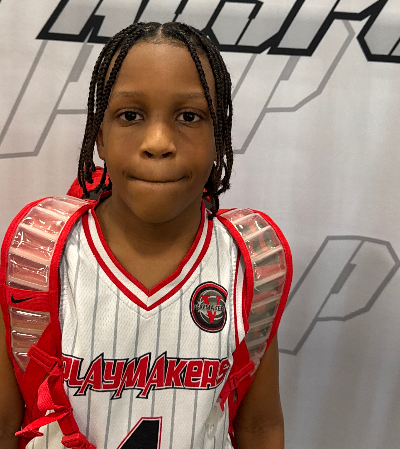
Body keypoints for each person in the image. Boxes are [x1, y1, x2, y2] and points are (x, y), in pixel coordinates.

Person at [0, 22, 292, 449]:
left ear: (219, 139)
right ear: (100, 136)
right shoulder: (37, 254)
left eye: (189, 116)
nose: (158, 142)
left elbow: (260, 426)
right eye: (130, 116)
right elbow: (6, 422)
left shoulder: (249, 263)